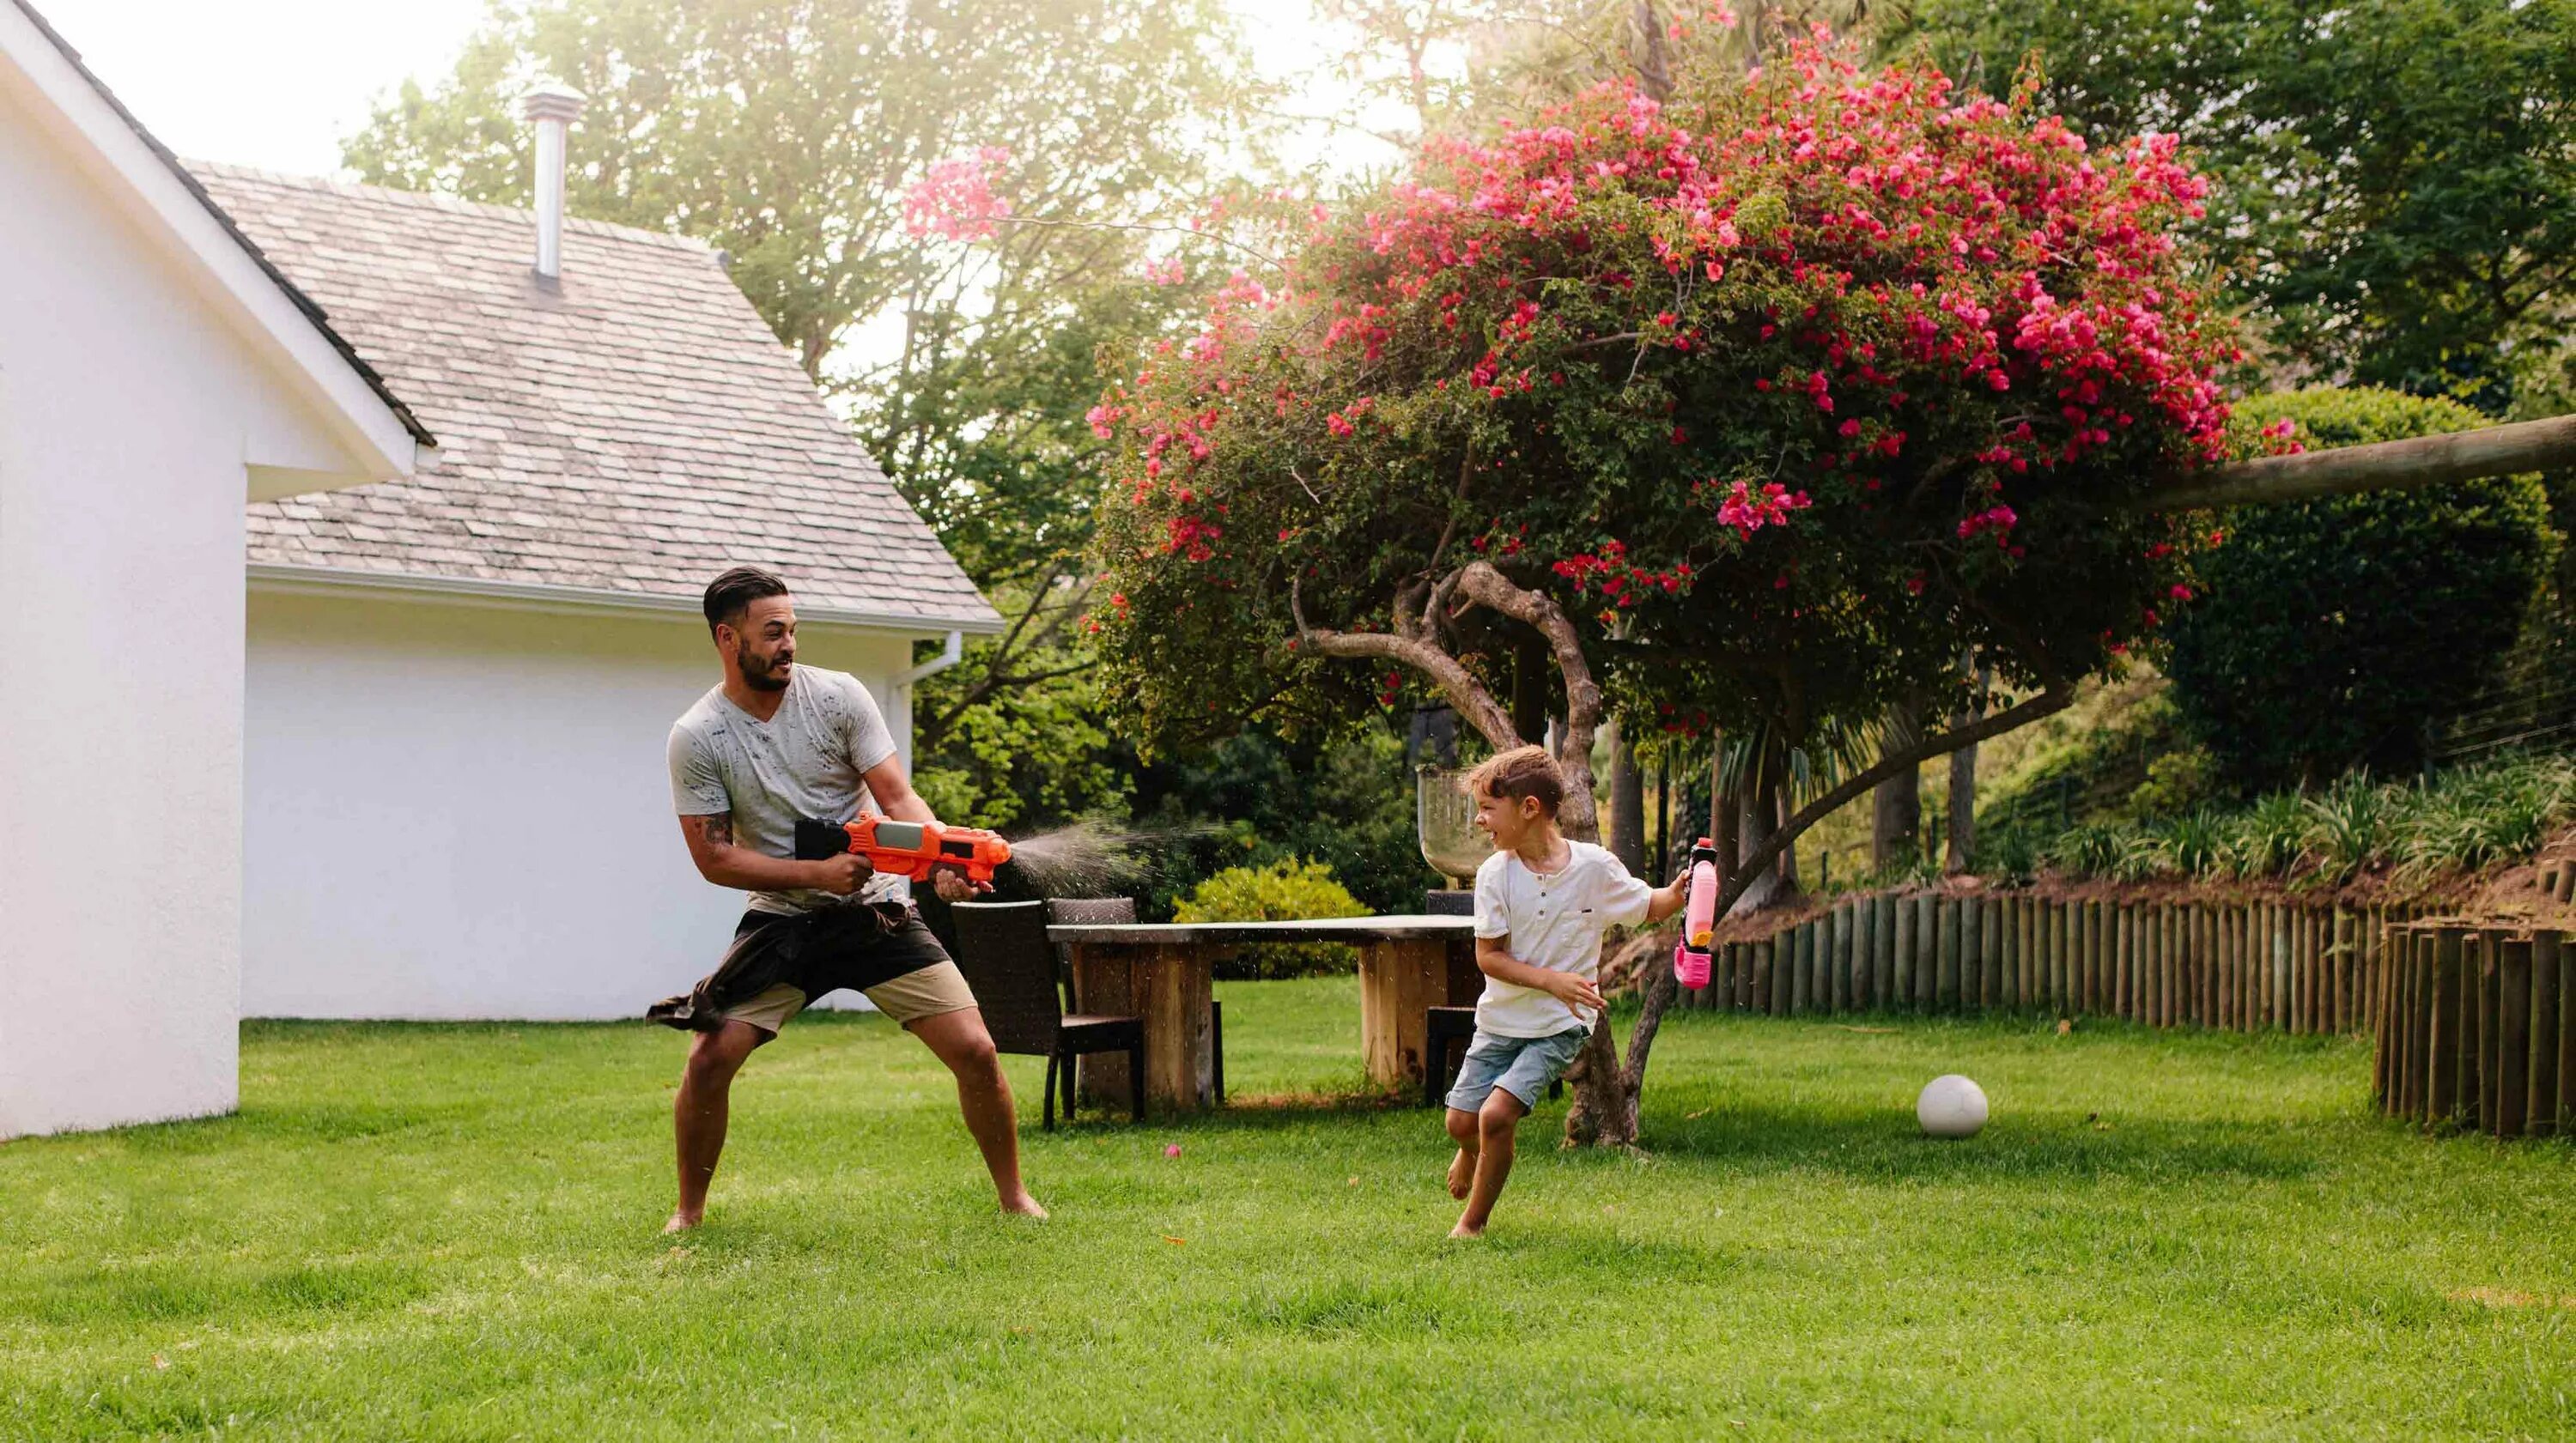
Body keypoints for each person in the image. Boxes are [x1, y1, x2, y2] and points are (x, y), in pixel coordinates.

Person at [649, 566, 1044, 1231]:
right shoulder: (699, 735)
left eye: (793, 629)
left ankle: (1014, 1196)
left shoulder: (837, 698)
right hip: (784, 922)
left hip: (879, 911)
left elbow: (899, 799)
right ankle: (689, 1213)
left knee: (977, 1048)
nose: (789, 644)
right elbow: (714, 858)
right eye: (772, 632)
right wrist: (816, 876)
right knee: (710, 1057)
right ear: (727, 637)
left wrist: (941, 858)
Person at [1443, 745, 1686, 1238]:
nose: (1479, 819)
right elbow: (1488, 957)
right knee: (1460, 1123)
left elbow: (1651, 906)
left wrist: (1683, 891)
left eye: (1489, 808)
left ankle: (1472, 1225)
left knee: (1495, 1117)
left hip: (1561, 1024)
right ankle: (1469, 1152)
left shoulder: (1593, 868)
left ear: (1529, 808)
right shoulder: (1495, 875)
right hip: (1501, 1021)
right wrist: (1553, 980)